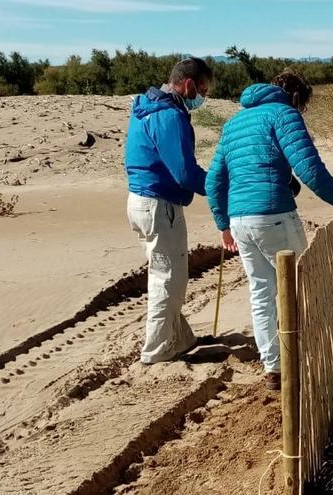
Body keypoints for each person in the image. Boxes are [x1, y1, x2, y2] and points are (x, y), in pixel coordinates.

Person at [205, 69, 333, 390]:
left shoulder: (234, 123)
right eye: (301, 105)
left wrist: (223, 224)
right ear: (295, 97)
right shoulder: (284, 114)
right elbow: (310, 169)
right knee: (302, 286)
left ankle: (274, 369)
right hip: (274, 215)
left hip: (240, 221)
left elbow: (214, 181)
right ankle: (308, 358)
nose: (300, 111)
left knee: (262, 293)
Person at [123, 57, 212, 365]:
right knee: (168, 278)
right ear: (188, 84)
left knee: (168, 273)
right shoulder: (169, 116)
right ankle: (157, 351)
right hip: (159, 204)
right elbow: (185, 173)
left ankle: (180, 338)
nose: (202, 96)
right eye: (201, 88)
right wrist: (218, 186)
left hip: (140, 201)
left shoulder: (144, 107)